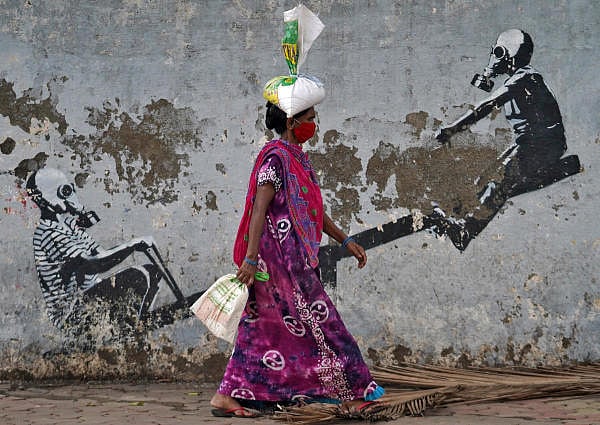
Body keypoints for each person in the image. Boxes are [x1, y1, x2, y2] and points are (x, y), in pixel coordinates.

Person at [209, 99, 384, 418]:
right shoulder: (275, 159)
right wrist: (250, 259)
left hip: (293, 260)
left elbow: (312, 212)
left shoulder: (297, 158)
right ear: (291, 122)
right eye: (310, 118)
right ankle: (356, 392)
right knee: (325, 323)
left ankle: (227, 394)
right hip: (275, 264)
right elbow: (259, 210)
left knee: (261, 328)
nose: (314, 125)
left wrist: (345, 240)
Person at [433, 29, 575, 250]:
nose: (493, 56)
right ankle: (457, 214)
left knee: (499, 182)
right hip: (529, 143)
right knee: (485, 177)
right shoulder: (517, 80)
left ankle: (465, 233)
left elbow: (486, 106)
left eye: (498, 51)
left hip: (544, 144)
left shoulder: (526, 77)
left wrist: (452, 129)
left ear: (510, 55)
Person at [26, 167, 163, 343]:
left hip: (89, 299)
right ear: (44, 199)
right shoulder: (47, 233)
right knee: (137, 276)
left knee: (152, 271)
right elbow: (90, 265)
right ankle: (128, 333)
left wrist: (132, 245)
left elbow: (103, 255)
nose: (70, 194)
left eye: (70, 189)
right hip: (71, 313)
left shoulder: (70, 227)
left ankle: (133, 328)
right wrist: (131, 246)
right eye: (64, 191)